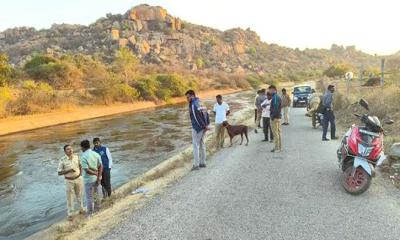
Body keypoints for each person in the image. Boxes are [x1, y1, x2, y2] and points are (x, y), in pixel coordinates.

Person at [57, 145, 85, 220]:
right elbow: (59, 173)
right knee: (70, 198)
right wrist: (69, 170)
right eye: (68, 149)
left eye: (71, 148)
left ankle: (81, 209)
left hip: (78, 178)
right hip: (69, 181)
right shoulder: (62, 160)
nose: (70, 150)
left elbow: (80, 165)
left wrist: (81, 174)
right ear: (65, 151)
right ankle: (70, 214)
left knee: (80, 195)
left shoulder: (77, 156)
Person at [185, 90, 209, 170]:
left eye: (188, 97)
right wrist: (206, 125)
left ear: (192, 96)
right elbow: (206, 113)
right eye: (186, 98)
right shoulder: (201, 102)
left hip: (197, 128)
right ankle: (203, 163)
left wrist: (203, 126)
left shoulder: (193, 104)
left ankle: (196, 165)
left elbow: (196, 117)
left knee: (195, 146)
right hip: (204, 127)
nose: (187, 99)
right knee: (202, 144)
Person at [80, 140, 103, 215]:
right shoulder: (96, 154)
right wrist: (99, 176)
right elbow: (101, 166)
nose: (81, 149)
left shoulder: (83, 156)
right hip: (97, 178)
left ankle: (90, 212)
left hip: (88, 180)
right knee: (97, 194)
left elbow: (87, 170)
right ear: (89, 145)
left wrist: (96, 174)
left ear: (82, 147)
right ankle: (98, 209)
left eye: (81, 147)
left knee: (89, 197)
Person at [269, 85, 282, 152]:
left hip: (275, 118)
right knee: (278, 133)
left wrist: (272, 117)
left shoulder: (275, 97)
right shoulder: (276, 97)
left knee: (276, 133)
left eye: (270, 90)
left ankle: (277, 148)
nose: (269, 91)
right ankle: (279, 147)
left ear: (274, 90)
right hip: (278, 117)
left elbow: (276, 108)